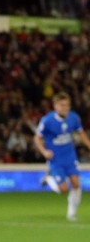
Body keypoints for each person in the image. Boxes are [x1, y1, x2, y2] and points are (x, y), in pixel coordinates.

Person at [35, 92, 90, 221]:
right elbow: (37, 138)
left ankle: (71, 214)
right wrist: (44, 152)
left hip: (70, 156)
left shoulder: (74, 117)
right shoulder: (47, 120)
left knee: (76, 184)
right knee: (63, 189)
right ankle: (48, 178)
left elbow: (81, 133)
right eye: (62, 105)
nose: (65, 108)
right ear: (55, 106)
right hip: (55, 158)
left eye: (67, 105)